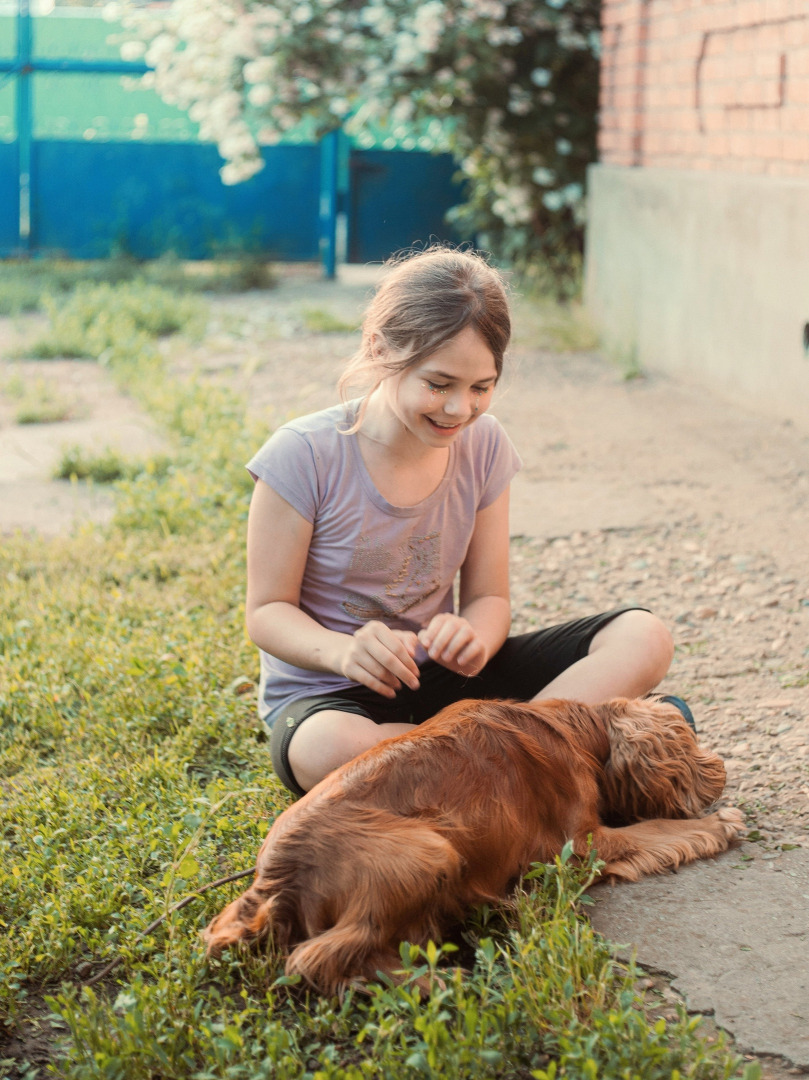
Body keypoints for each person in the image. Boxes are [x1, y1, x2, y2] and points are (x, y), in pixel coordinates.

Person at [245, 246, 683, 798]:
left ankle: (499, 762)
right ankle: (563, 758)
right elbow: (267, 613)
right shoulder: (301, 455)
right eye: (438, 383)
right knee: (326, 750)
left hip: (451, 691)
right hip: (335, 694)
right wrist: (342, 651)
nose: (459, 409)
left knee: (643, 635)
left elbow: (489, 600)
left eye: (481, 387)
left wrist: (473, 635)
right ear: (381, 350)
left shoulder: (484, 445)